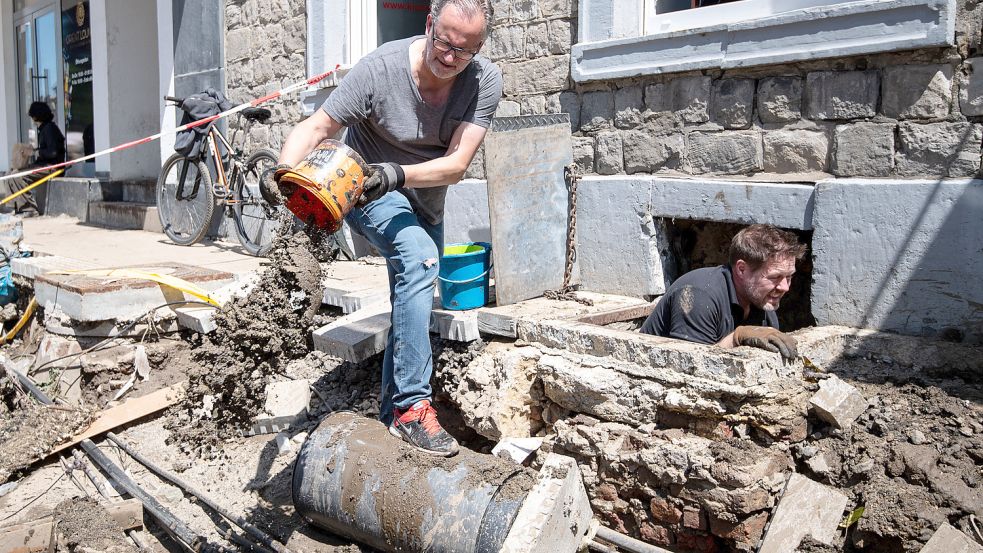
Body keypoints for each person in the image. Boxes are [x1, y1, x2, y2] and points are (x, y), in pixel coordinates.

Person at [275, 0, 502, 456]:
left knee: (413, 290)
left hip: (422, 195)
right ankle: (412, 408)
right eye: (443, 42)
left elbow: (456, 166)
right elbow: (318, 126)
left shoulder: (484, 81)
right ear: (428, 26)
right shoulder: (379, 70)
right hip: (364, 190)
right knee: (419, 260)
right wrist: (284, 171)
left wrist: (397, 173)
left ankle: (389, 419)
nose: (450, 57)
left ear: (478, 48)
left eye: (465, 50)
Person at [640, 224, 806, 361]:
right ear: (742, 269)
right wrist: (736, 338)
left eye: (789, 277)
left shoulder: (763, 305)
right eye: (775, 277)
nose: (785, 287)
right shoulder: (698, 295)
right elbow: (688, 367)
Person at [0, 102, 66, 213]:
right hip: (44, 165)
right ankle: (14, 207)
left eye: (32, 116)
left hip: (53, 167)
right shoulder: (45, 129)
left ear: (35, 116)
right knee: (9, 175)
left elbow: (53, 152)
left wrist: (34, 153)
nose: (32, 119)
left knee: (18, 176)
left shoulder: (49, 129)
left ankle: (29, 209)